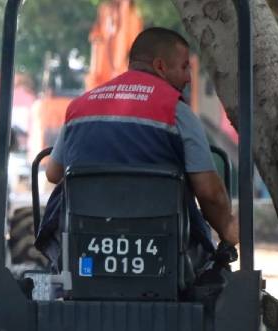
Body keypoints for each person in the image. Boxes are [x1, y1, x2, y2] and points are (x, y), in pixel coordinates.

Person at [36, 27, 238, 266]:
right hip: (162, 254)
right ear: (160, 66)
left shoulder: (79, 107)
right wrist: (228, 230)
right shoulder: (177, 112)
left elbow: (52, 174)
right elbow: (209, 193)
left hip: (85, 249)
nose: (188, 78)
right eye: (184, 67)